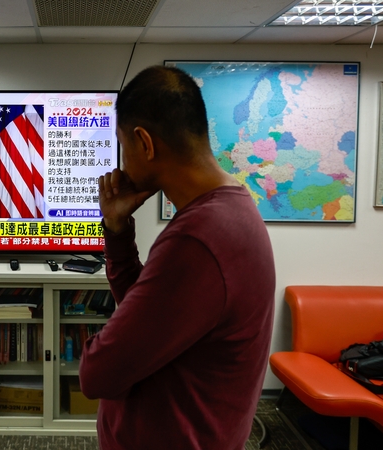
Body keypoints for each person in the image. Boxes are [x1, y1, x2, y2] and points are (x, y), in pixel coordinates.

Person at [79, 65, 276, 449]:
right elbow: (149, 314)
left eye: (122, 147)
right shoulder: (231, 210)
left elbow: (97, 375)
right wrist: (117, 231)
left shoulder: (196, 239)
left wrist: (100, 343)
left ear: (145, 143)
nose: (120, 164)